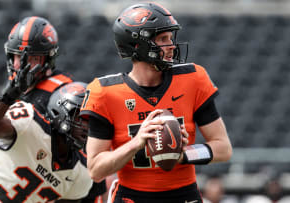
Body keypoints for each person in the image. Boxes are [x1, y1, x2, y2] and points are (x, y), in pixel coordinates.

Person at [80, 2, 232, 203]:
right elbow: (96, 170)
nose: (171, 46)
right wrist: (137, 143)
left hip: (184, 195)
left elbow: (223, 149)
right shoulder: (105, 93)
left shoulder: (193, 79)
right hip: (132, 197)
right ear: (138, 45)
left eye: (170, 38)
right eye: (162, 39)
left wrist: (182, 154)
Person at [0, 16, 104, 202]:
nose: (21, 64)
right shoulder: (19, 94)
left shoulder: (64, 96)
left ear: (48, 59)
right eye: (17, 56)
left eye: (32, 58)